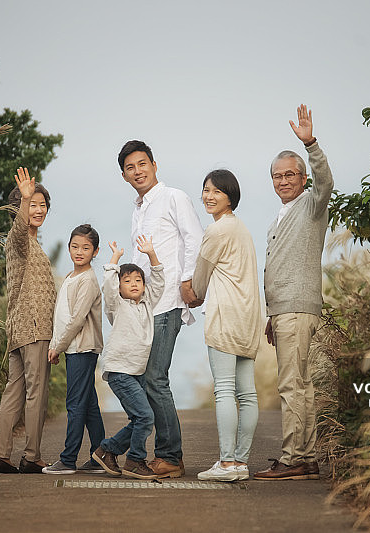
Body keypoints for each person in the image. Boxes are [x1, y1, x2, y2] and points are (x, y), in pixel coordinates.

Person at [254, 105, 334, 481]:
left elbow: (326, 183)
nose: (284, 181)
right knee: (300, 385)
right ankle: (306, 456)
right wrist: (273, 314)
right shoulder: (281, 215)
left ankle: (293, 458)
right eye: (278, 176)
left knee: (292, 385)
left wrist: (311, 144)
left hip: (298, 308)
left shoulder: (311, 205)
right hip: (286, 310)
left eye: (290, 174)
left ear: (303, 178)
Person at [118, 140, 204, 479]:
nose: (137, 171)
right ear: (124, 176)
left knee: (155, 378)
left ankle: (170, 456)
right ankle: (135, 450)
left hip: (168, 301)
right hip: (144, 307)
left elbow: (195, 238)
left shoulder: (174, 198)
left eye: (142, 164)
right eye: (130, 168)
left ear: (154, 165)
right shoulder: (138, 209)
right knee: (144, 379)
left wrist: (188, 281)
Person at [191, 170, 261, 482]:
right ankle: (241, 463)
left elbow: (199, 280)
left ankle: (227, 462)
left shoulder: (217, 230)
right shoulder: (241, 228)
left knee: (224, 390)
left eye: (217, 191)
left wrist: (193, 292)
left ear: (230, 197)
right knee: (247, 394)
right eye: (206, 190)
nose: (209, 196)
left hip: (225, 316)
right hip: (249, 316)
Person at [0, 168, 56, 474]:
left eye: (42, 205)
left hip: (19, 327)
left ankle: (1, 456)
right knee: (36, 394)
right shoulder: (19, 240)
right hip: (34, 327)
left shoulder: (33, 244)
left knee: (14, 392)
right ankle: (31, 456)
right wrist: (25, 198)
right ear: (19, 209)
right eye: (32, 205)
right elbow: (19, 230)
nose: (38, 210)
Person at [92, 236, 165, 480]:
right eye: (127, 281)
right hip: (120, 371)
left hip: (137, 372)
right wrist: (115, 259)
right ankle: (134, 460)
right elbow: (108, 287)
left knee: (139, 419)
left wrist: (152, 255)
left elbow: (159, 283)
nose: (133, 284)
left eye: (138, 280)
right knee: (145, 417)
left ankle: (107, 451)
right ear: (120, 287)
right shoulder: (117, 305)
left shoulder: (147, 303)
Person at [42, 224, 107, 475]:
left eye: (86, 248)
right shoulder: (71, 276)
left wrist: (57, 346)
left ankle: (68, 460)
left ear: (95, 251)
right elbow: (62, 315)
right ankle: (101, 457)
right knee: (88, 405)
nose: (79, 252)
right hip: (74, 348)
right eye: (75, 246)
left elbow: (77, 319)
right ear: (69, 247)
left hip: (82, 348)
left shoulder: (88, 280)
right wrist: (56, 343)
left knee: (75, 404)